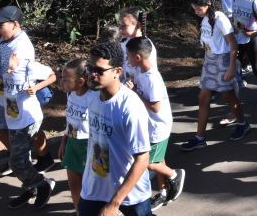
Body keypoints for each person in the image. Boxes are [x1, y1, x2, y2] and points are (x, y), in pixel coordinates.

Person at [79, 40, 151, 216]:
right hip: (93, 191)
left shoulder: (130, 107)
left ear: (117, 72)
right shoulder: (93, 97)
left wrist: (114, 204)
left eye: (99, 70)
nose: (92, 74)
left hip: (129, 198)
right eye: (90, 68)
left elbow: (142, 159)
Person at [0, 6, 52, 177]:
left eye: (0, 25)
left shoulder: (22, 46)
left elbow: (6, 67)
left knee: (30, 129)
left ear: (15, 24)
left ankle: (44, 157)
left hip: (19, 96)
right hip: (4, 93)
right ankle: (17, 157)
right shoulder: (5, 38)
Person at [181, 0, 249, 151]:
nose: (196, 10)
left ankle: (243, 123)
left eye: (199, 7)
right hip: (210, 62)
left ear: (209, 3)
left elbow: (233, 44)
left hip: (223, 61)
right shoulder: (204, 19)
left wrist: (232, 67)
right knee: (203, 98)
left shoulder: (220, 18)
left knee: (229, 97)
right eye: (194, 7)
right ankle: (199, 138)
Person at [125, 37, 185, 210]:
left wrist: (135, 91)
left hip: (158, 127)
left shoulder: (152, 77)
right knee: (157, 158)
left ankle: (174, 174)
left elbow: (156, 107)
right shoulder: (139, 71)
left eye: (128, 55)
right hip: (148, 125)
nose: (127, 59)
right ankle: (164, 191)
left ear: (137, 57)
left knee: (147, 162)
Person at [2, 45, 57, 209]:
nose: (6, 70)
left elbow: (52, 76)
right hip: (13, 118)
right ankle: (31, 186)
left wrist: (36, 87)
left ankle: (42, 184)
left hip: (29, 119)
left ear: (13, 56)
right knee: (21, 159)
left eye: (7, 66)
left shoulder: (29, 66)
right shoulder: (3, 65)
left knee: (16, 161)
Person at [60, 59, 94, 212]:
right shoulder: (71, 94)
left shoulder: (93, 97)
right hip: (72, 143)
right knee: (74, 184)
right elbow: (70, 120)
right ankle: (78, 211)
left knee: (90, 186)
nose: (62, 82)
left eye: (66, 79)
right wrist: (64, 142)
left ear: (81, 81)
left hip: (88, 145)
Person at [117, 7, 158, 86]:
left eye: (124, 26)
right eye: (119, 25)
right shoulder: (124, 42)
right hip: (127, 87)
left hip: (143, 89)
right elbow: (123, 65)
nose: (120, 29)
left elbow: (150, 74)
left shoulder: (146, 47)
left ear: (138, 25)